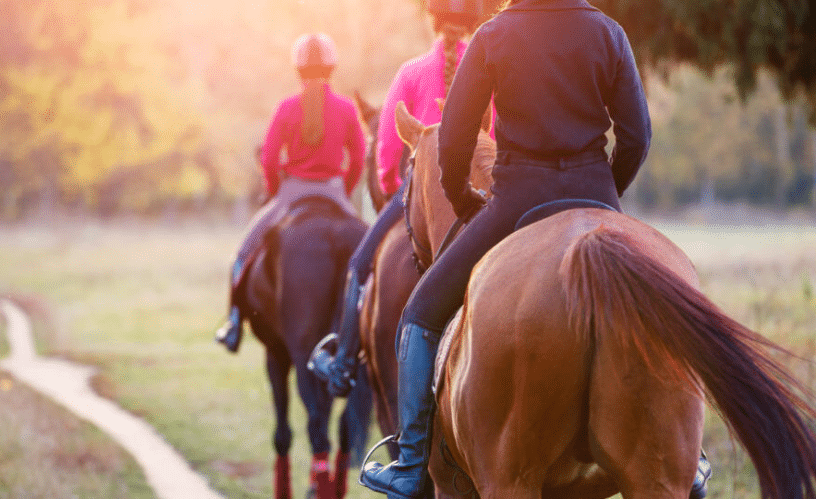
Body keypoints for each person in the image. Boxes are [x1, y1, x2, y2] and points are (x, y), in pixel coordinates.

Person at [359, 1, 710, 498]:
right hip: (597, 193)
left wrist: (463, 200)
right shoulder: (608, 32)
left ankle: (411, 461)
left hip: (515, 200)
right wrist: (606, 194)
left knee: (418, 314)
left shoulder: (493, 36)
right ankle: (687, 457)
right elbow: (637, 134)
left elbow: (456, 141)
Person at [316, 0, 486, 396]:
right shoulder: (486, 71)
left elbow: (388, 146)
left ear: (434, 23)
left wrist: (392, 179)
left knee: (359, 266)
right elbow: (491, 135)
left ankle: (342, 363)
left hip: (418, 186)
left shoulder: (410, 72)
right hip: (478, 191)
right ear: (471, 23)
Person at [217, 33, 365, 352]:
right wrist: (345, 190)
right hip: (335, 192)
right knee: (371, 252)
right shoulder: (346, 109)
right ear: (332, 67)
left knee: (242, 256)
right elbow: (359, 157)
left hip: (291, 193)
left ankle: (232, 324)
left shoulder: (286, 108)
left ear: (298, 70)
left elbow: (269, 160)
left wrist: (275, 193)